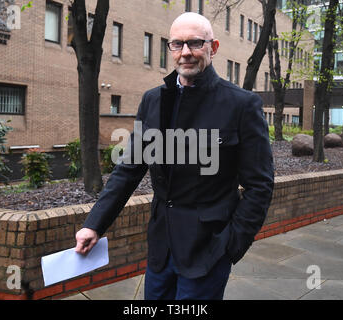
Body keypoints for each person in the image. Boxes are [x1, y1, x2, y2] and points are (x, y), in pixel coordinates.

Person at [75, 12, 274, 300]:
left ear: (213, 47)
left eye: (195, 43)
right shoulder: (153, 100)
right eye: (177, 44)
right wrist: (94, 224)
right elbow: (129, 169)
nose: (186, 53)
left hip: (208, 250)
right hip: (161, 247)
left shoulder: (242, 104)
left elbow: (260, 185)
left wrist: (232, 244)